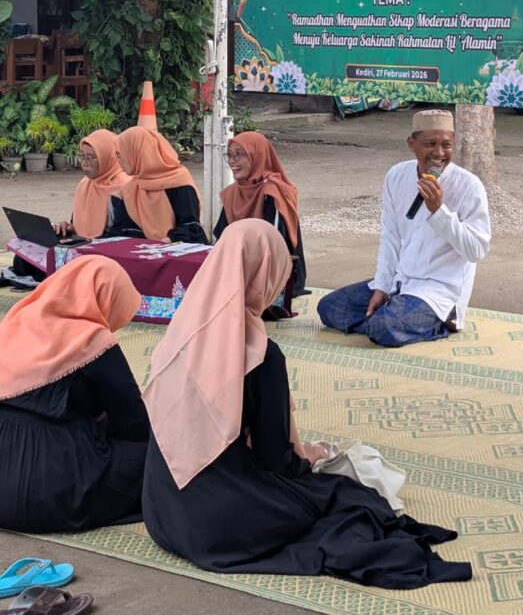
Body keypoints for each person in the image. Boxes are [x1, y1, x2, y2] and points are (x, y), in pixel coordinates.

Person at [142, 219, 471, 589]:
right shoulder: (259, 356)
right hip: (217, 527)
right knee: (348, 499)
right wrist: (310, 456)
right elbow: (277, 462)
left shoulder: (177, 339)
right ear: (265, 275)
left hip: (163, 515)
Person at [0, 255, 149, 532]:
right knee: (154, 457)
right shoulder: (91, 340)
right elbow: (134, 424)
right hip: (53, 489)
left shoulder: (15, 323)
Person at [318, 110, 491, 347]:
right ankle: (393, 318)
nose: (439, 153)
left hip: (437, 291)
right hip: (399, 283)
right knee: (329, 308)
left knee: (383, 327)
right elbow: (390, 237)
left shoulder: (469, 185)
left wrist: (438, 211)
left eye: (446, 145)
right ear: (412, 144)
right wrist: (382, 287)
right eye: (430, 144)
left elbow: (476, 251)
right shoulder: (397, 175)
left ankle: (438, 320)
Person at [3, 129, 129, 290]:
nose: (84, 163)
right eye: (82, 156)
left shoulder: (123, 188)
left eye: (91, 158)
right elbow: (77, 223)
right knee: (28, 249)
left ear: (108, 157)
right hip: (80, 242)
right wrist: (67, 227)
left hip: (102, 249)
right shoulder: (85, 184)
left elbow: (122, 236)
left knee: (53, 257)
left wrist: (82, 243)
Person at [213, 131, 307, 317]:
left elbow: (274, 246)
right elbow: (221, 238)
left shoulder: (273, 191)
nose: (232, 161)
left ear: (257, 156)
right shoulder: (233, 193)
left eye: (239, 154)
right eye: (230, 155)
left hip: (276, 274)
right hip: (242, 265)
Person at [110, 126, 208, 244]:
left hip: (181, 248)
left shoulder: (178, 181)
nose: (118, 160)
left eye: (120, 154)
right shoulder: (131, 188)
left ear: (136, 152)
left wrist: (167, 241)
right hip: (145, 250)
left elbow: (190, 227)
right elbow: (124, 229)